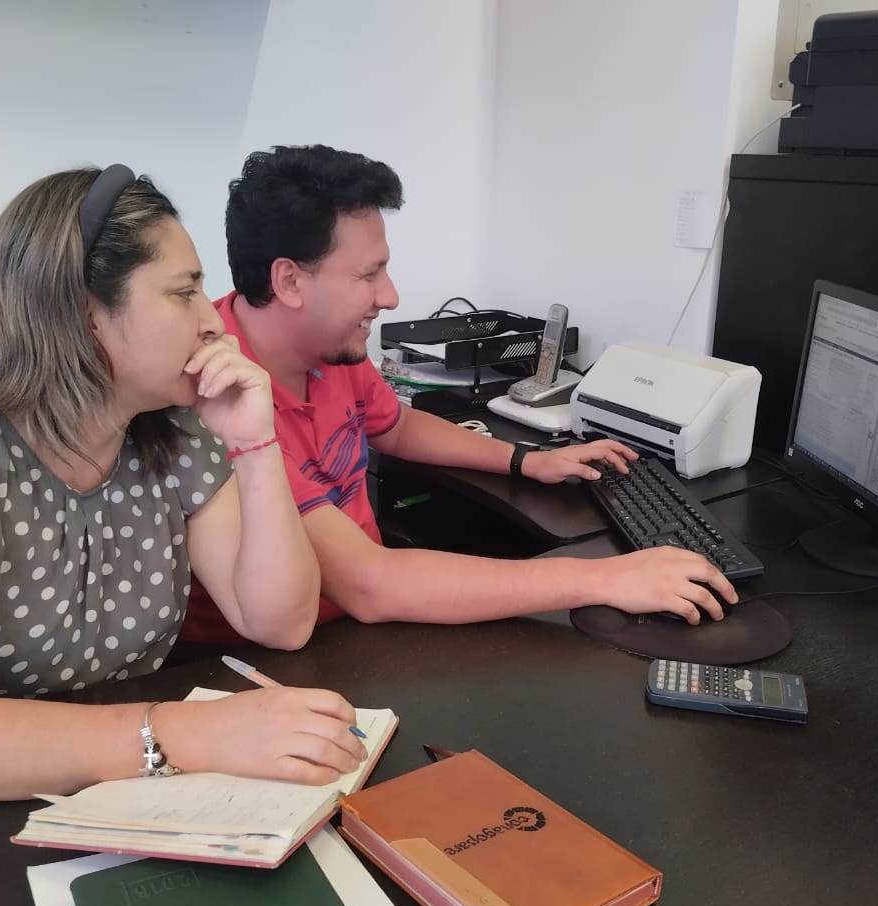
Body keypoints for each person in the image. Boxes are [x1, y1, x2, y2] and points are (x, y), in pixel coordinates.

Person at [0, 165, 366, 906]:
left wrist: (254, 441)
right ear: (81, 309)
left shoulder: (172, 433)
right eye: (184, 293)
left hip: (70, 796)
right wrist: (194, 733)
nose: (213, 321)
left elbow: (279, 618)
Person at [178, 144, 736, 643]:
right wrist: (607, 578)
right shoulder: (223, 404)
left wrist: (525, 459)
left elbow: (394, 426)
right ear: (289, 281)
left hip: (354, 618)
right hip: (260, 661)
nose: (390, 297)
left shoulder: (330, 346)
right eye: (368, 275)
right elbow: (370, 585)